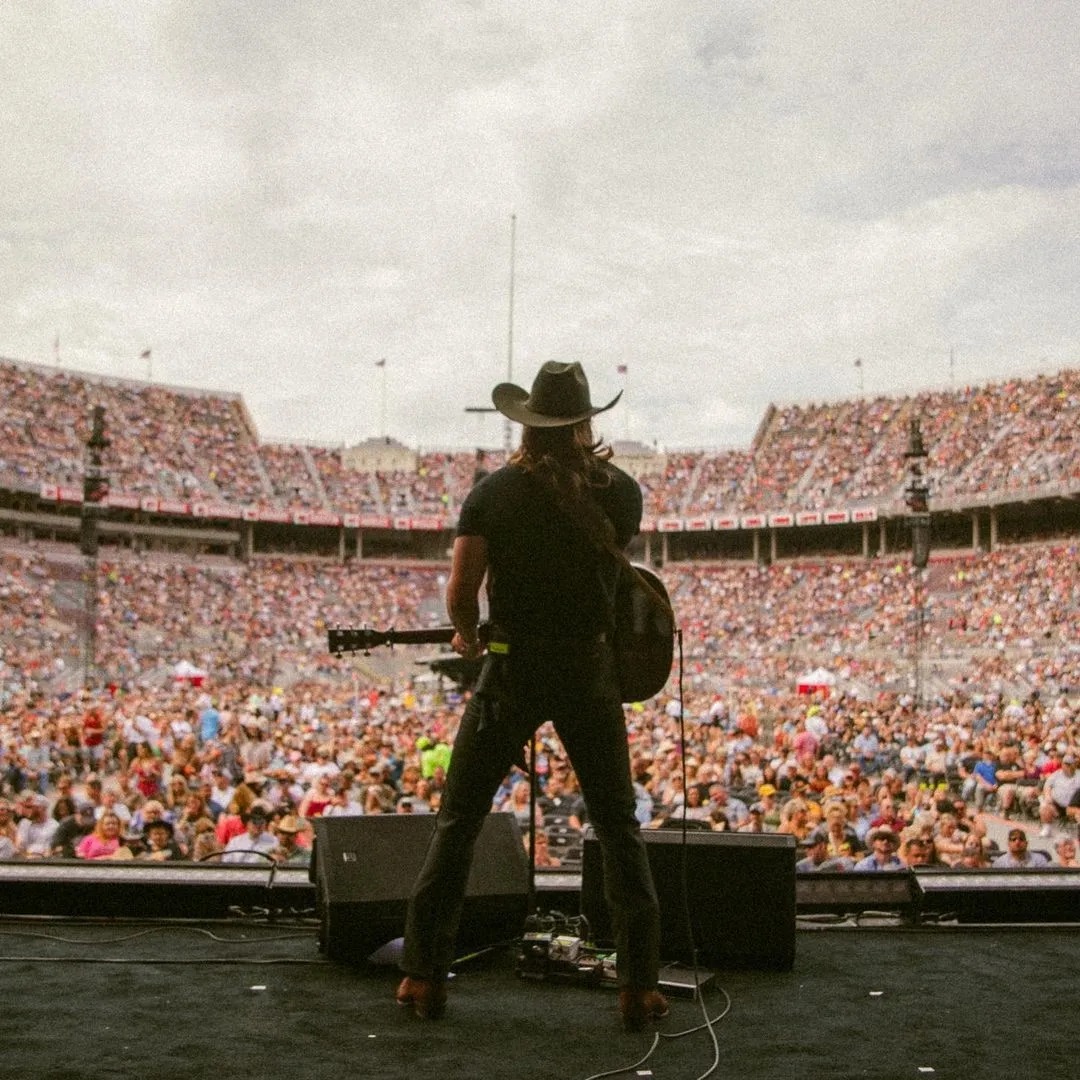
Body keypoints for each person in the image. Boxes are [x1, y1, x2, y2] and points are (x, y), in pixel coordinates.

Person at [396, 361, 666, 1032]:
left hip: (511, 672)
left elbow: (463, 592)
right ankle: (637, 987)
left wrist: (468, 637)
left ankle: (423, 976)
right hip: (587, 672)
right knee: (617, 828)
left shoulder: (491, 494)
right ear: (586, 421)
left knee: (458, 823)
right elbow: (601, 578)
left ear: (526, 422)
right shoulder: (622, 493)